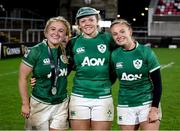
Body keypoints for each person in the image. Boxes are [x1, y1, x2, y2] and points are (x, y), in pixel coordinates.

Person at [66, 7, 117, 130]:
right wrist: (42, 79)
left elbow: (119, 63)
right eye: (83, 21)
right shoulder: (73, 43)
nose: (87, 23)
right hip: (79, 97)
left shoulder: (108, 39)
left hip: (103, 98)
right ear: (78, 24)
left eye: (91, 19)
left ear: (97, 21)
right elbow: (65, 68)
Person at [18, 16, 71, 130]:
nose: (56, 33)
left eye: (61, 31)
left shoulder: (66, 51)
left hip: (61, 104)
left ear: (65, 35)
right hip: (39, 104)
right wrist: (25, 104)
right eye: (53, 29)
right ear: (46, 32)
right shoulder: (35, 51)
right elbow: (22, 77)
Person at [110, 18, 162, 130]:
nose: (119, 35)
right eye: (115, 34)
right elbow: (111, 78)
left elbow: (158, 84)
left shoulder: (146, 52)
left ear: (130, 31)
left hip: (147, 103)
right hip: (125, 104)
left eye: (122, 31)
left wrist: (154, 108)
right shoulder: (114, 55)